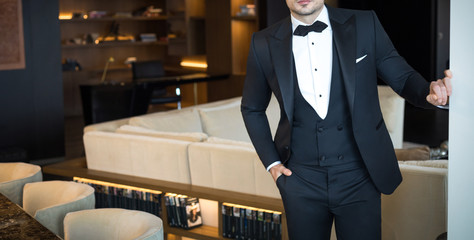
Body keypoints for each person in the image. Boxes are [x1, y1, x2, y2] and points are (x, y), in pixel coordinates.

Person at [240, 0, 452, 239]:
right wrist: (272, 164)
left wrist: (430, 92)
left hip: (360, 176)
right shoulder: (263, 42)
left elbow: (403, 78)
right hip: (300, 181)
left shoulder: (364, 24)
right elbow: (252, 108)